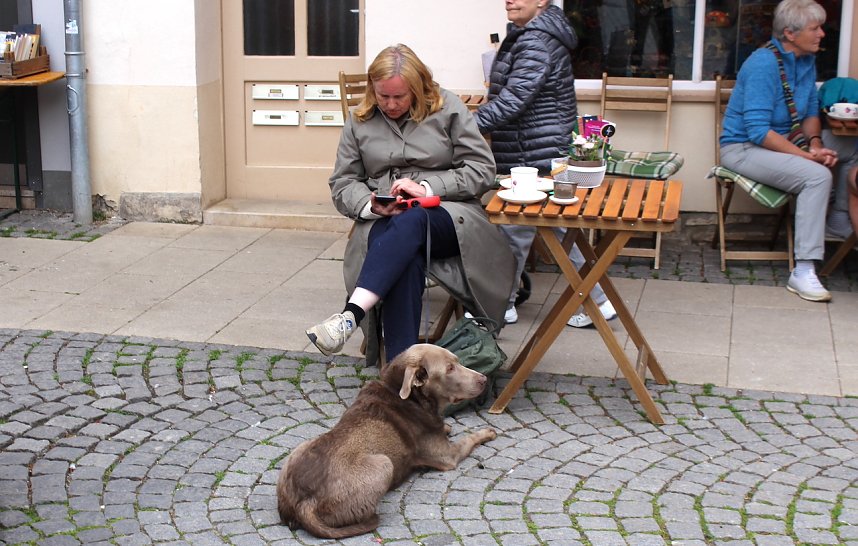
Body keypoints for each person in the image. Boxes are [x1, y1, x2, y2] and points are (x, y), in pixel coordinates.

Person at [305, 44, 516, 363]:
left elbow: (482, 169)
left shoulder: (448, 108)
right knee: (406, 257)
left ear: (418, 89)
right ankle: (402, 372)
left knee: (413, 219)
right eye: (382, 96)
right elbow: (343, 182)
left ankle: (350, 315)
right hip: (383, 221)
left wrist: (427, 187)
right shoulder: (358, 119)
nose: (389, 104)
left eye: (399, 97)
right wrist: (371, 205)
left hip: (447, 215)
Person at [474, 0, 616, 328]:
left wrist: (462, 125)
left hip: (532, 150)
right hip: (542, 146)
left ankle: (499, 305)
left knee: (515, 226)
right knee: (558, 229)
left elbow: (513, 99)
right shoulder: (537, 34)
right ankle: (598, 300)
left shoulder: (535, 40)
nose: (509, 0)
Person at [719, 0, 838, 302]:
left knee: (846, 150)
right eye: (815, 28)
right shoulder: (763, 64)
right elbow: (758, 131)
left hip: (784, 143)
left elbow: (811, 111)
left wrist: (816, 144)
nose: (822, 34)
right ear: (790, 33)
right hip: (743, 148)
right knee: (817, 176)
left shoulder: (805, 61)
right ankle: (803, 270)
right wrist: (808, 158)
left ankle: (841, 226)